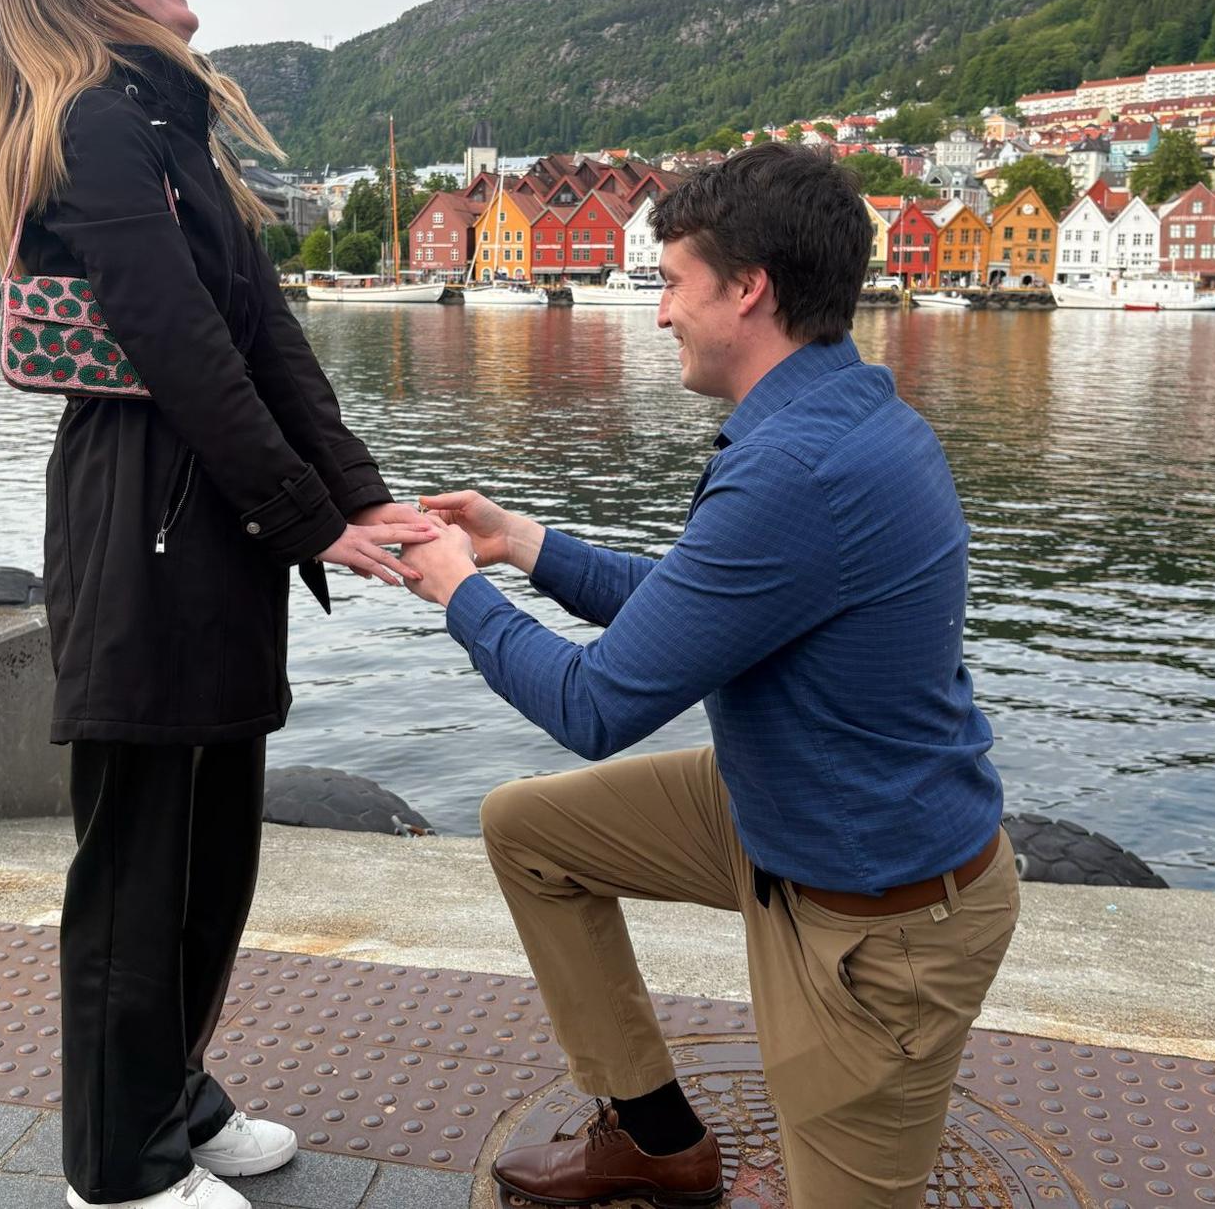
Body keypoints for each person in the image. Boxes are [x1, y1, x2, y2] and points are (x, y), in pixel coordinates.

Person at [403, 143, 1019, 1209]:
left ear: (749, 290)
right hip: (788, 815)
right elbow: (701, 607)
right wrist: (522, 543)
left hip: (876, 924)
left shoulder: (799, 470)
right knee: (531, 833)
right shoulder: (843, 415)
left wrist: (460, 589)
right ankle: (651, 1138)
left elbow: (595, 706)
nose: (659, 313)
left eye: (675, 284)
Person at [0, 0, 439, 1209]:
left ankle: (171, 1093)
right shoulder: (99, 130)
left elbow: (270, 345)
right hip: (144, 517)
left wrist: (360, 502)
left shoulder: (172, 131)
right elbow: (180, 346)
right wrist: (309, 519)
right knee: (137, 865)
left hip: (209, 518)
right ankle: (117, 1172)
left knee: (214, 847)